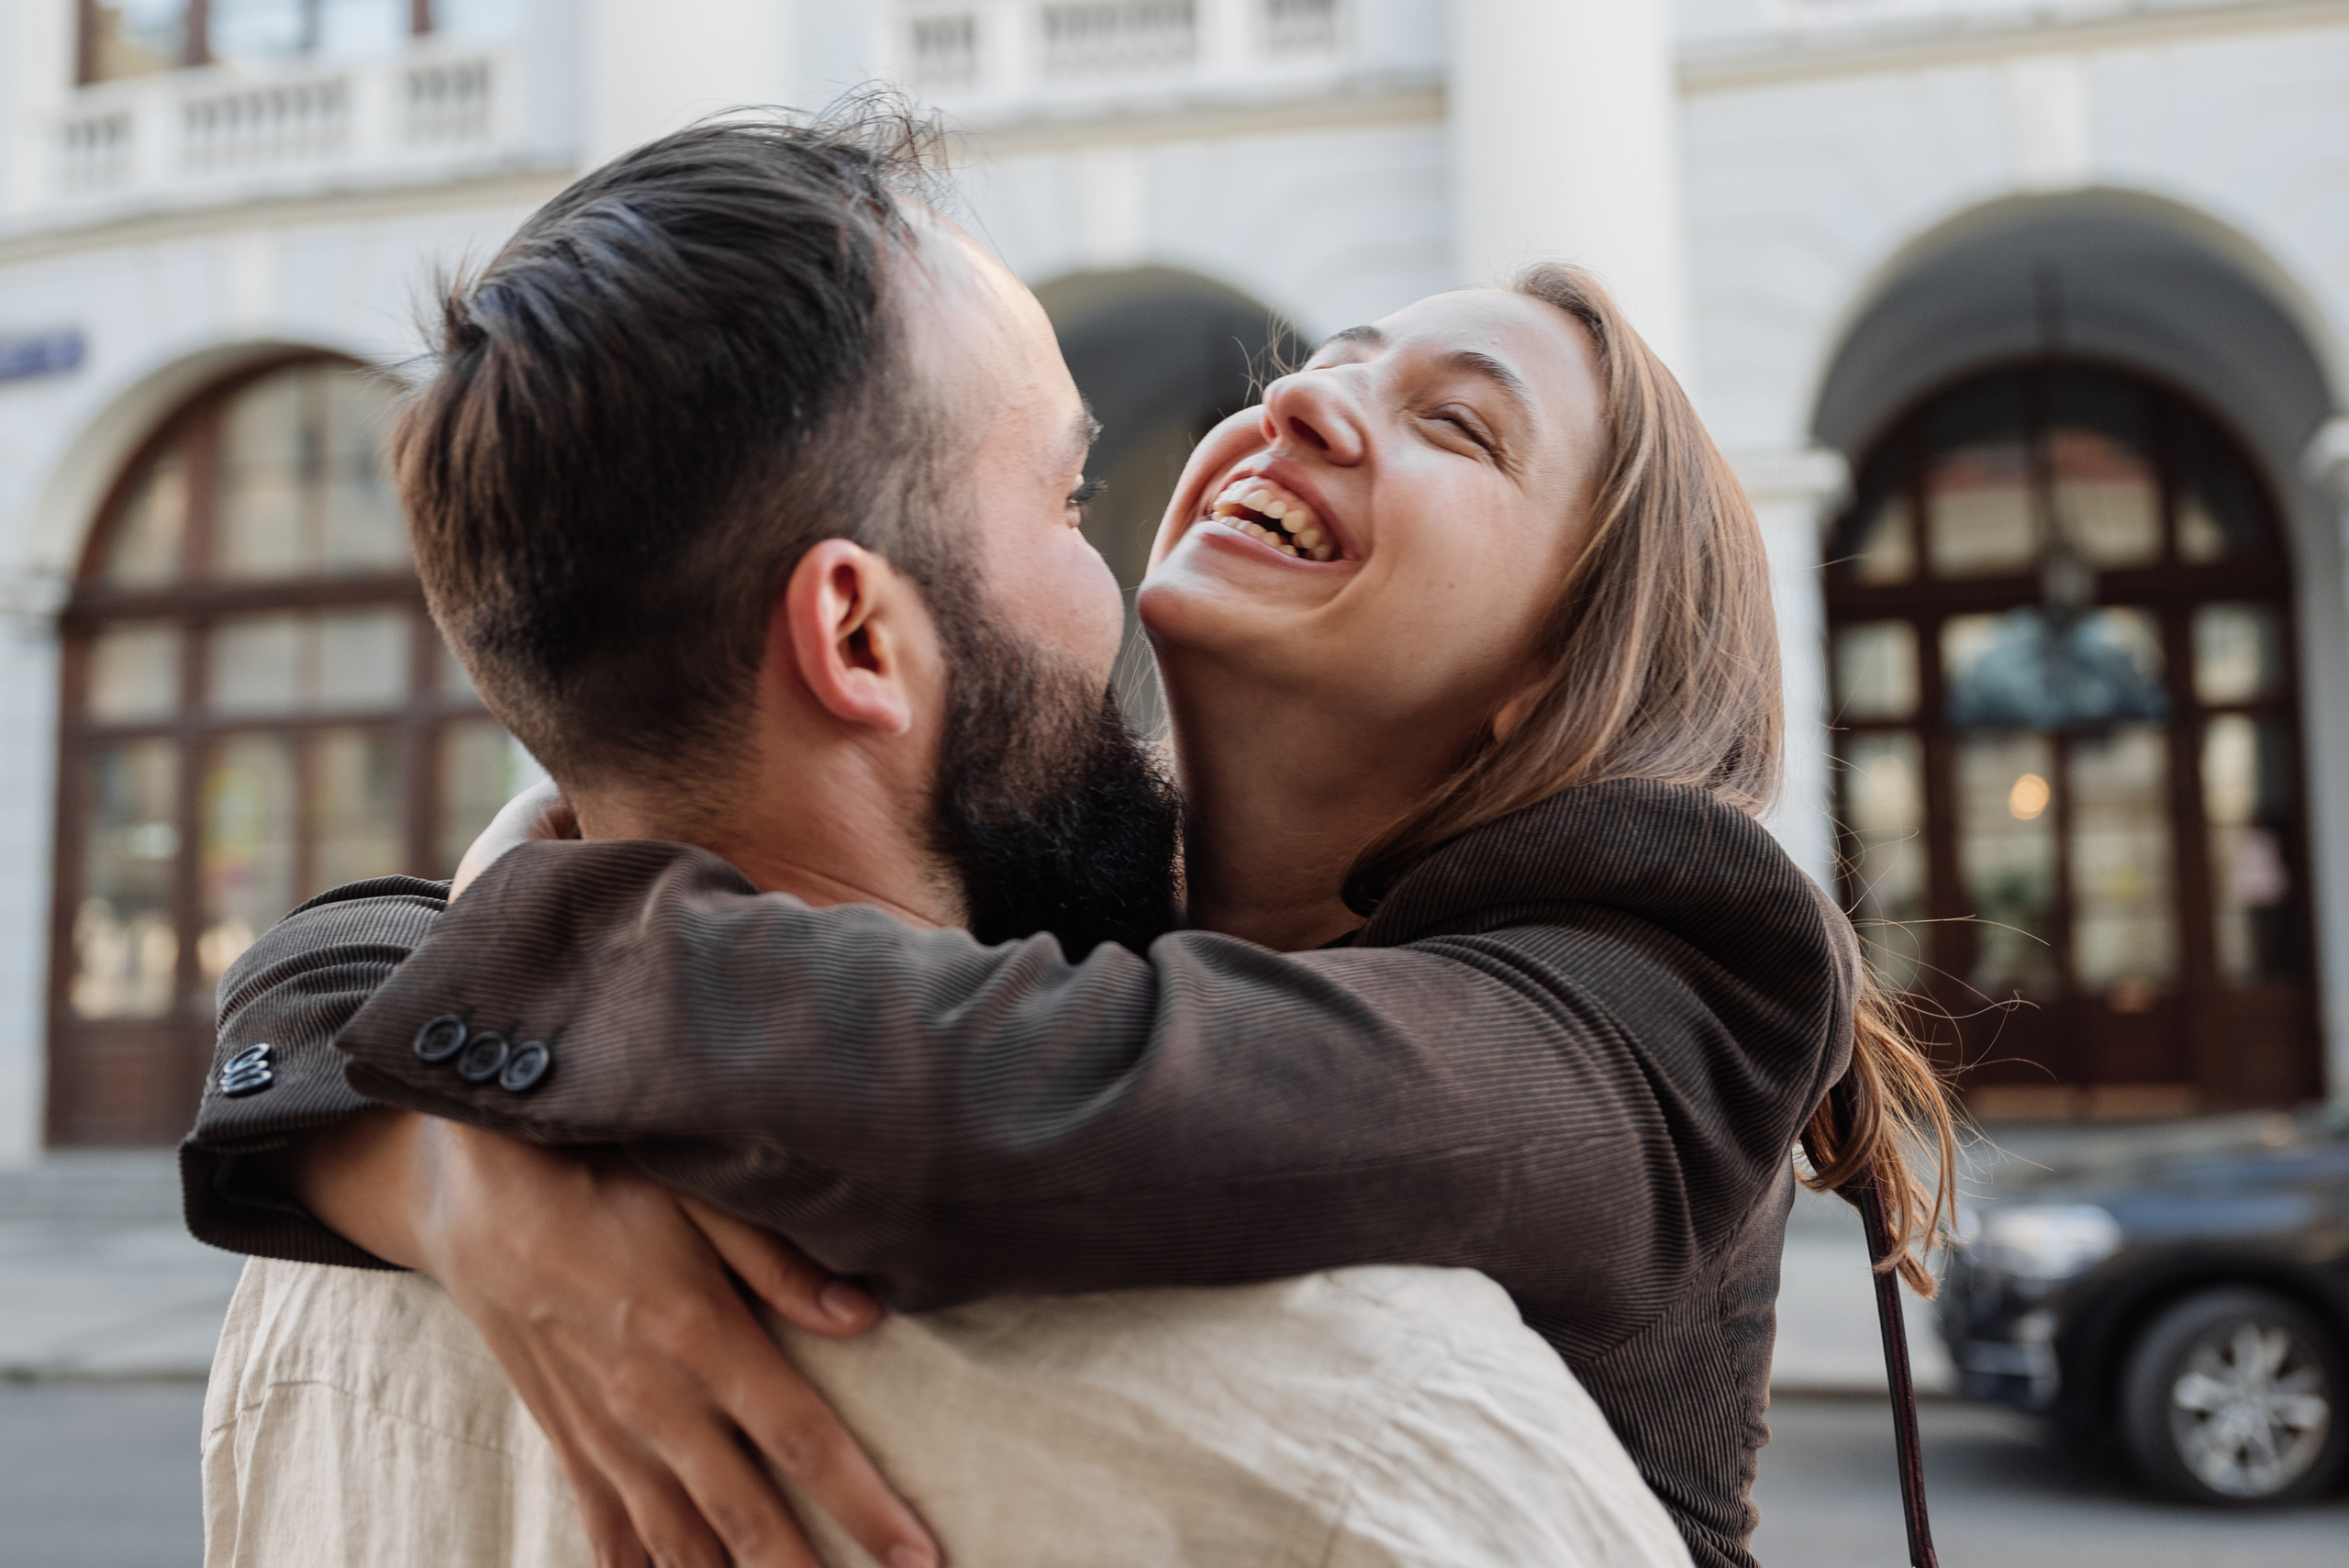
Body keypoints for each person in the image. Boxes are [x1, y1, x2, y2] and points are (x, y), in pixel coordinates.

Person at [184, 106, 1959, 1568]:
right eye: (1326, 363)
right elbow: (355, 946)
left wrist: (463, 1077)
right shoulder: (1077, 867)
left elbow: (1063, 1097)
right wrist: (439, 1162)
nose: (1300, 402)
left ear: (1561, 670)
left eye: (1454, 425)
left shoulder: (1663, 971)